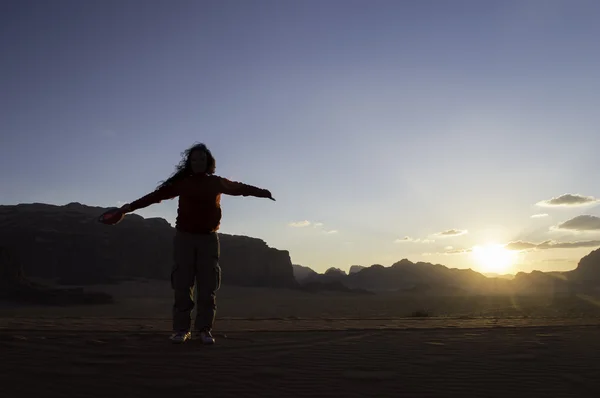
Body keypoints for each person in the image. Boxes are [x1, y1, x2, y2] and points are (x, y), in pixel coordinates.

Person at [117, 143, 275, 344]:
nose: (198, 162)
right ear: (190, 163)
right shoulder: (183, 183)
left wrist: (263, 192)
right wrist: (129, 207)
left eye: (202, 159)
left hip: (208, 239)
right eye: (194, 159)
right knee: (183, 284)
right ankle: (181, 329)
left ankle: (204, 329)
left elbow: (240, 188)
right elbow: (156, 197)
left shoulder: (216, 182)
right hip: (184, 238)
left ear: (208, 162)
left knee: (208, 285)